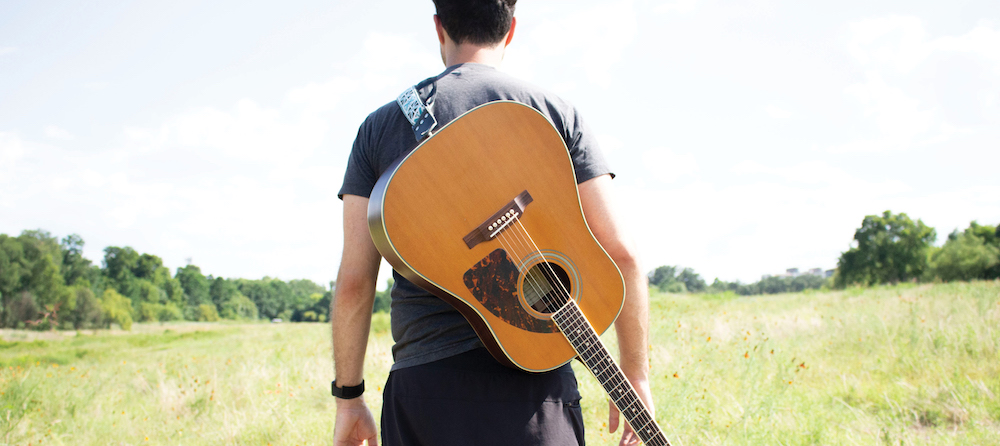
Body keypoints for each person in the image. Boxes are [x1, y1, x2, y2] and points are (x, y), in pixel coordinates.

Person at [331, 1, 654, 445]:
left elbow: (354, 282)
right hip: (537, 391)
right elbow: (623, 254)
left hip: (426, 393)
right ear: (511, 28)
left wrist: (349, 398)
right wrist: (635, 377)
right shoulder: (554, 112)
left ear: (439, 28)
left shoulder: (380, 128)